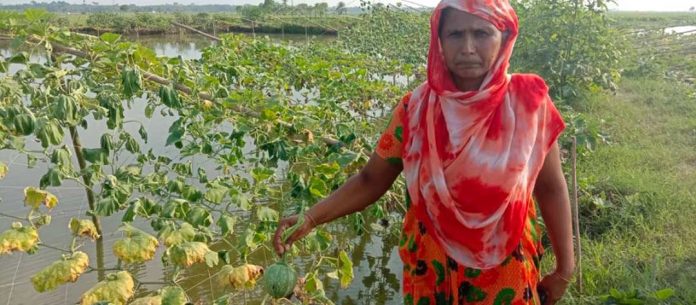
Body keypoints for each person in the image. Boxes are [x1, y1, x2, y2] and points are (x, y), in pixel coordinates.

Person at [273, 0, 575, 304]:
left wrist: (564, 269)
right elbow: (370, 180)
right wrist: (311, 217)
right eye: (455, 34)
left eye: (482, 33)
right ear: (439, 41)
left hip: (505, 269)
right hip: (432, 266)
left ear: (504, 37)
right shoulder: (415, 109)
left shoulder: (529, 105)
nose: (468, 47)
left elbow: (550, 188)